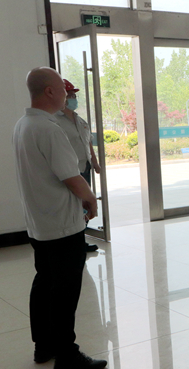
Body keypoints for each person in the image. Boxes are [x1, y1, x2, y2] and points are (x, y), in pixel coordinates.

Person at [12, 67, 107, 369]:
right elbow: (72, 177)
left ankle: (44, 346)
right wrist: (91, 199)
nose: (68, 96)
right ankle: (67, 355)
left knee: (44, 283)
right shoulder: (50, 129)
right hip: (62, 224)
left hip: (39, 223)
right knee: (65, 291)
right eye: (64, 90)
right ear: (50, 91)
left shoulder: (23, 125)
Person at [55, 79, 101, 252]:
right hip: (70, 171)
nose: (73, 99)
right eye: (70, 95)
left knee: (85, 205)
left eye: (74, 96)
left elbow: (88, 143)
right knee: (73, 205)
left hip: (84, 168)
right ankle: (73, 243)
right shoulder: (55, 121)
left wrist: (95, 163)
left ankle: (81, 241)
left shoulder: (80, 121)